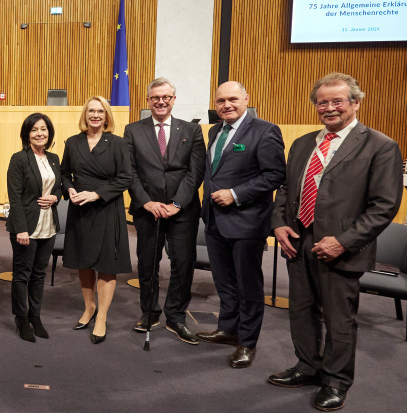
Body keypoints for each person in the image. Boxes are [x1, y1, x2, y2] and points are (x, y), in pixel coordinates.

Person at [268, 73, 403, 411]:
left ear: (355, 103)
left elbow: (384, 206)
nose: (329, 108)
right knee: (300, 311)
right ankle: (307, 366)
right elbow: (286, 190)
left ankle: (336, 381)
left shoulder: (380, 146)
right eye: (322, 102)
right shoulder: (302, 144)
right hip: (298, 242)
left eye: (337, 101)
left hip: (340, 248)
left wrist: (343, 242)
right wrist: (280, 225)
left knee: (339, 319)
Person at [197, 81, 286, 368]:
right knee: (224, 281)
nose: (227, 105)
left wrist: (235, 194)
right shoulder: (214, 131)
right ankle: (228, 328)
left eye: (233, 99)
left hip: (246, 222)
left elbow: (275, 175)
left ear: (246, 99)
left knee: (248, 285)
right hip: (214, 220)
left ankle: (247, 342)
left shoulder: (265, 131)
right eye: (221, 101)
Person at [123, 78, 206, 344]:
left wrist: (176, 204)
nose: (160, 101)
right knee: (148, 265)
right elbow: (129, 171)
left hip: (183, 211)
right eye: (155, 97)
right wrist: (146, 201)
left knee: (182, 264)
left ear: (173, 99)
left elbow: (195, 173)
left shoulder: (191, 131)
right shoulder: (133, 130)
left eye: (166, 97)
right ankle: (149, 313)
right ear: (148, 100)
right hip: (147, 210)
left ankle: (176, 316)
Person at [61, 96, 132, 344]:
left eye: (100, 111)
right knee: (83, 261)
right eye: (91, 111)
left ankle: (101, 316)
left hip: (106, 207)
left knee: (106, 263)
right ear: (85, 114)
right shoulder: (72, 142)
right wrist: (69, 189)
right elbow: (64, 173)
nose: (95, 115)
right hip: (80, 208)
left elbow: (125, 178)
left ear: (107, 115)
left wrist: (97, 194)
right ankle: (89, 307)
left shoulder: (118, 143)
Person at [6, 113, 62, 342]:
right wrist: (20, 229)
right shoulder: (19, 158)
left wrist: (55, 198)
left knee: (39, 274)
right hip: (26, 226)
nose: (40, 134)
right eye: (34, 130)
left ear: (49, 133)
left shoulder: (54, 158)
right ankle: (21, 318)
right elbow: (15, 196)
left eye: (44, 129)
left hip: (49, 226)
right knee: (22, 274)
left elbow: (59, 187)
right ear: (27, 134)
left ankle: (35, 316)